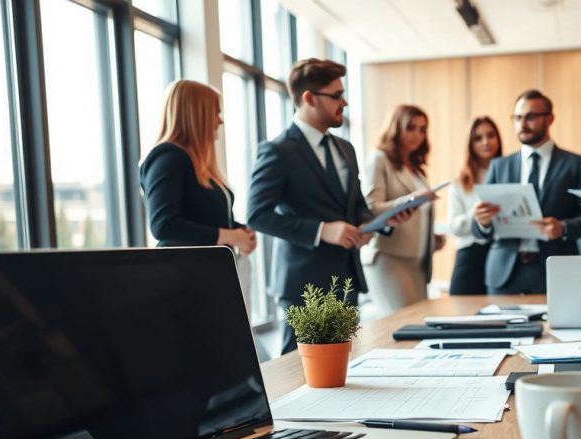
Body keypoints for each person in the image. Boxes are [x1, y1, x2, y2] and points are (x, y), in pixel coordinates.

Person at [247, 58, 411, 355]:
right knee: (296, 372)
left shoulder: (344, 149)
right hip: (303, 284)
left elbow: (356, 207)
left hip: (345, 278)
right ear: (309, 98)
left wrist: (379, 222)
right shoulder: (278, 151)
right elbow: (258, 215)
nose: (344, 102)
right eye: (336, 95)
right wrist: (323, 230)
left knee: (342, 369)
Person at [139, 80, 257, 308]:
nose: (220, 120)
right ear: (196, 115)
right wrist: (231, 237)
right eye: (216, 112)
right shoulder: (167, 157)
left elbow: (202, 216)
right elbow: (163, 225)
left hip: (205, 276)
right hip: (182, 280)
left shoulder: (195, 162)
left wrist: (238, 230)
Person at [471, 89, 581, 294]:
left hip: (556, 271)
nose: (522, 124)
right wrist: (482, 221)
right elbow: (478, 230)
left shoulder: (576, 165)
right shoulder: (499, 166)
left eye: (530, 117)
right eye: (517, 118)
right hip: (504, 273)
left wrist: (563, 228)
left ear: (550, 119)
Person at [360, 105, 443, 317]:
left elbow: (417, 217)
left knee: (420, 324)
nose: (418, 135)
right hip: (389, 257)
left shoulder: (415, 167)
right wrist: (412, 199)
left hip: (418, 260)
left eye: (423, 129)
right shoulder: (379, 159)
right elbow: (372, 207)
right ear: (396, 128)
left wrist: (432, 239)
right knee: (406, 325)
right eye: (411, 127)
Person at [448, 116, 502, 295]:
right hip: (470, 254)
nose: (486, 142)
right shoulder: (460, 181)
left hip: (502, 253)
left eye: (490, 135)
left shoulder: (510, 173)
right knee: (461, 310)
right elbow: (454, 226)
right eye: (478, 138)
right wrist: (477, 213)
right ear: (470, 144)